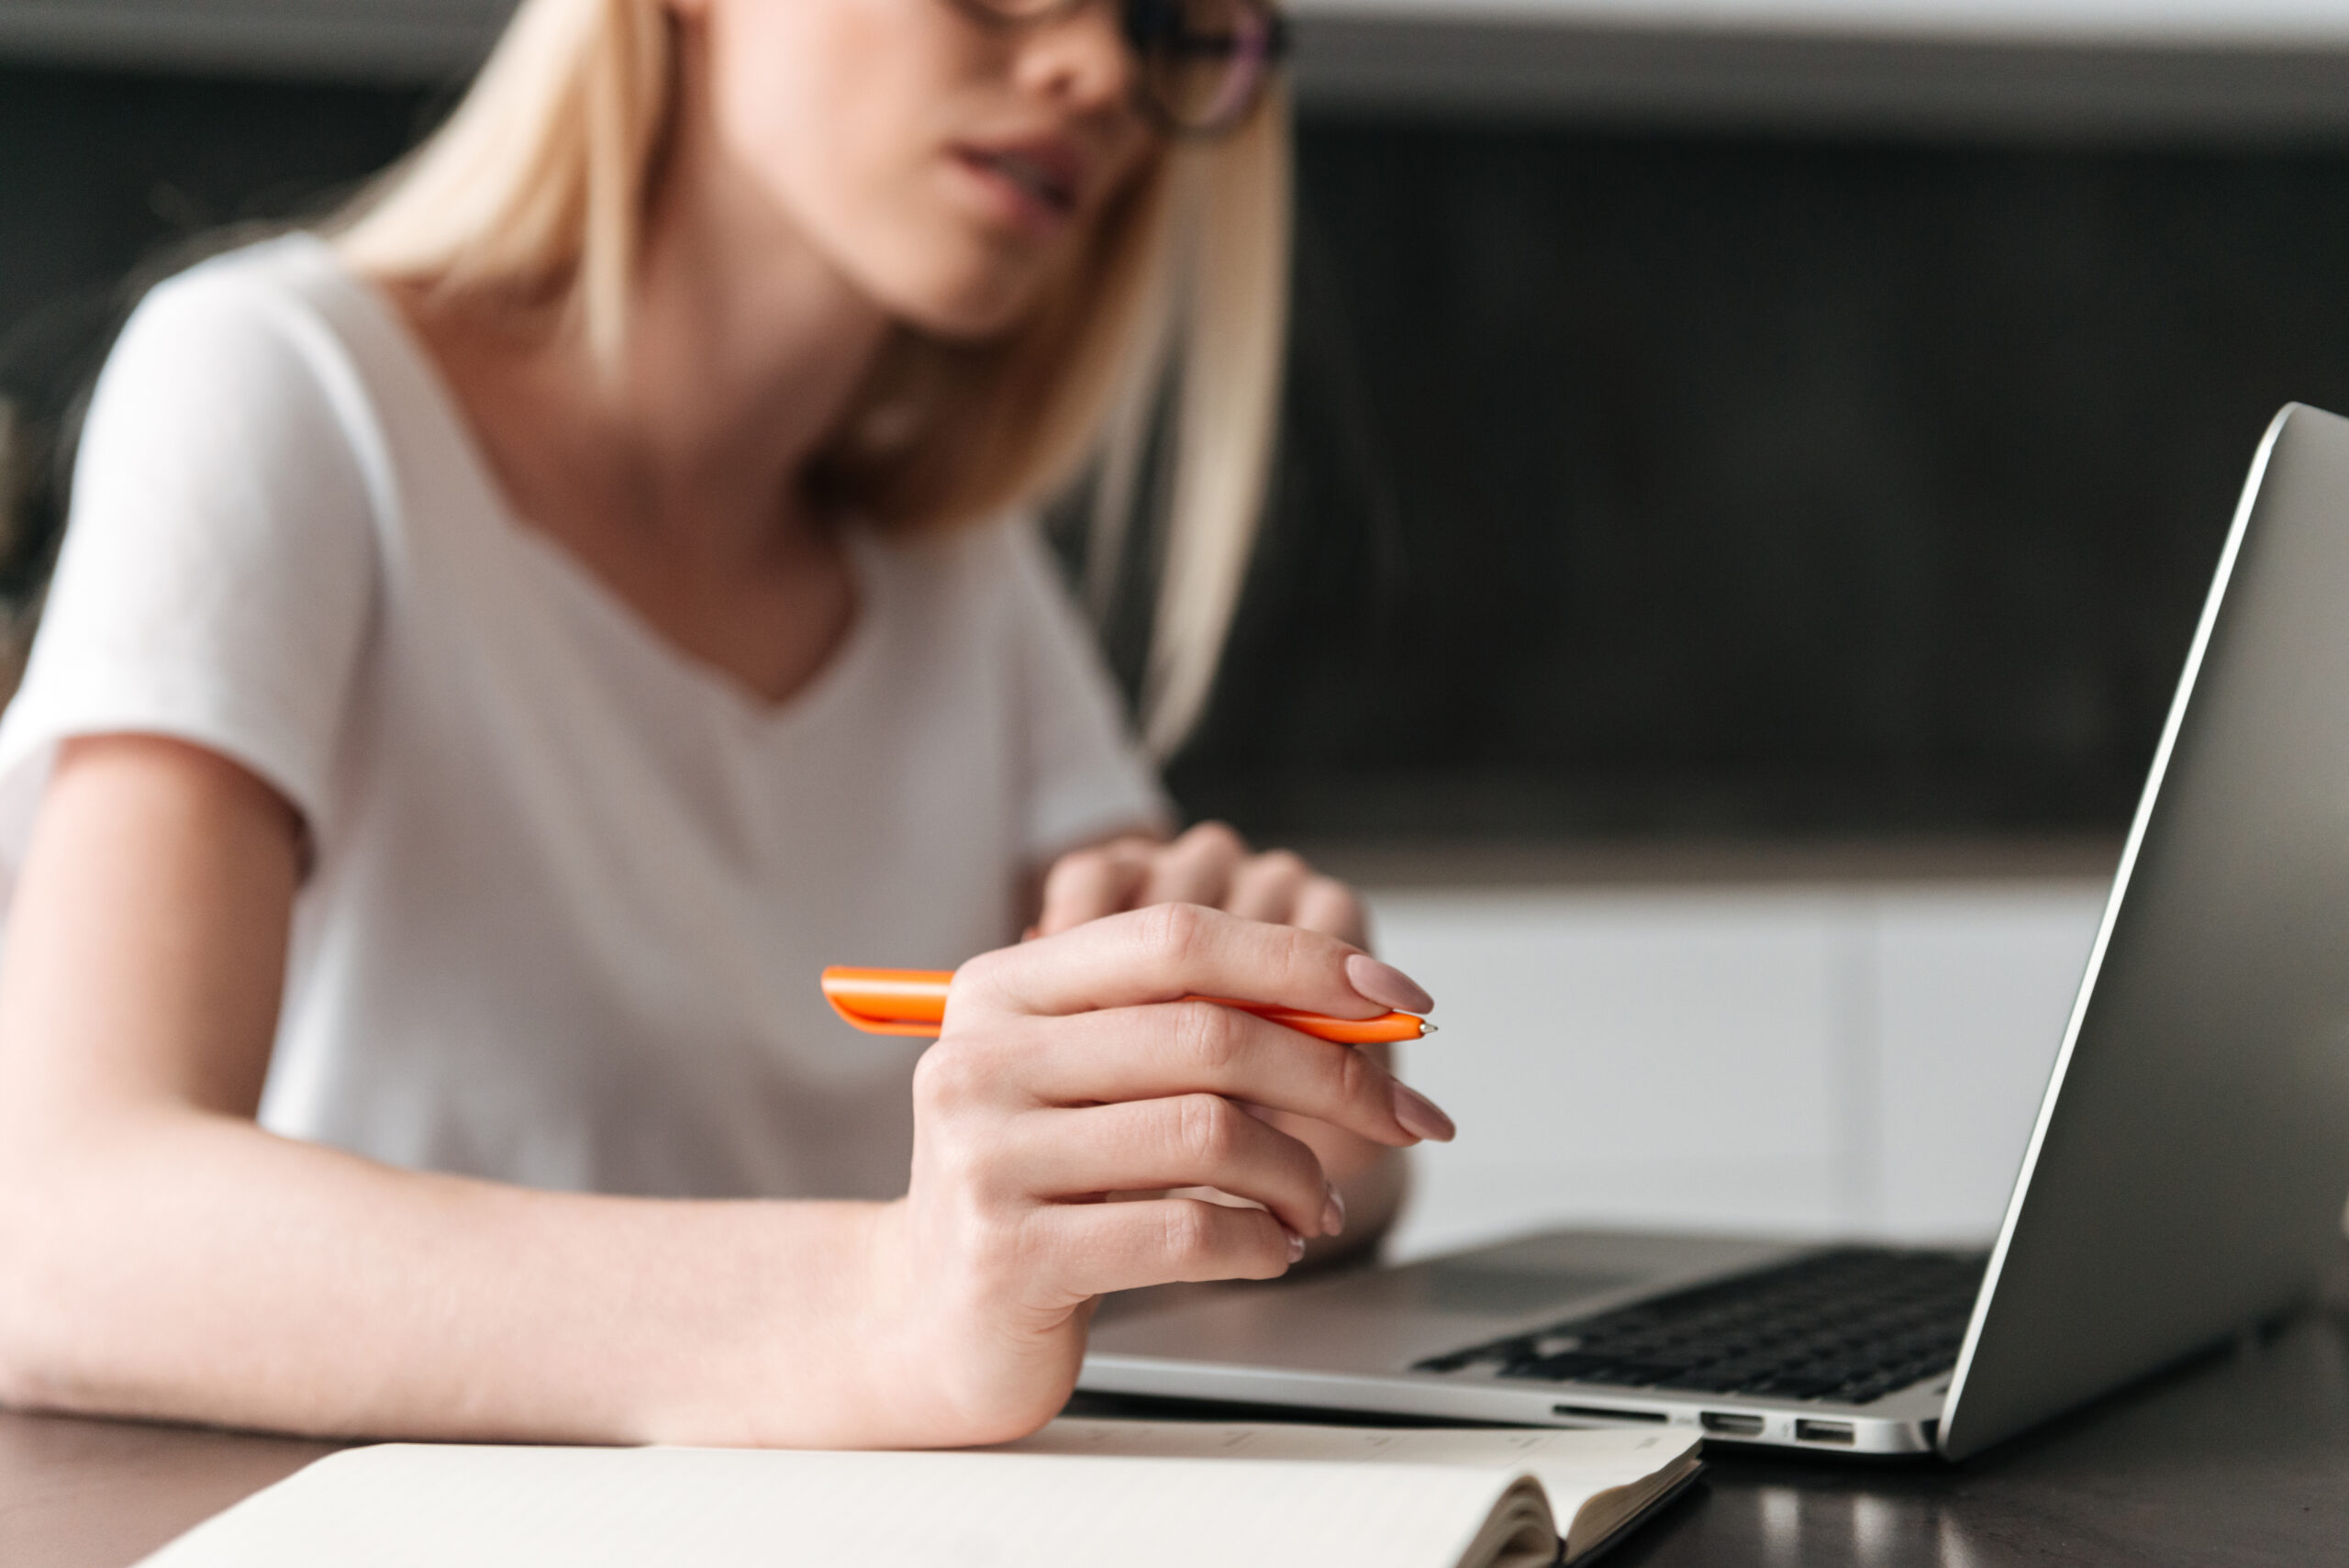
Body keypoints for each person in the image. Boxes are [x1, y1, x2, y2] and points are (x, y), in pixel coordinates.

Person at [0, 0, 1455, 1449]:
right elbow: (57, 1228)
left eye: (1168, 27)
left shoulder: (958, 574)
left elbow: (1192, 1152)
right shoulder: (285, 383)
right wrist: (892, 1296)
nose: (1099, 74)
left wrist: (1295, 1104)